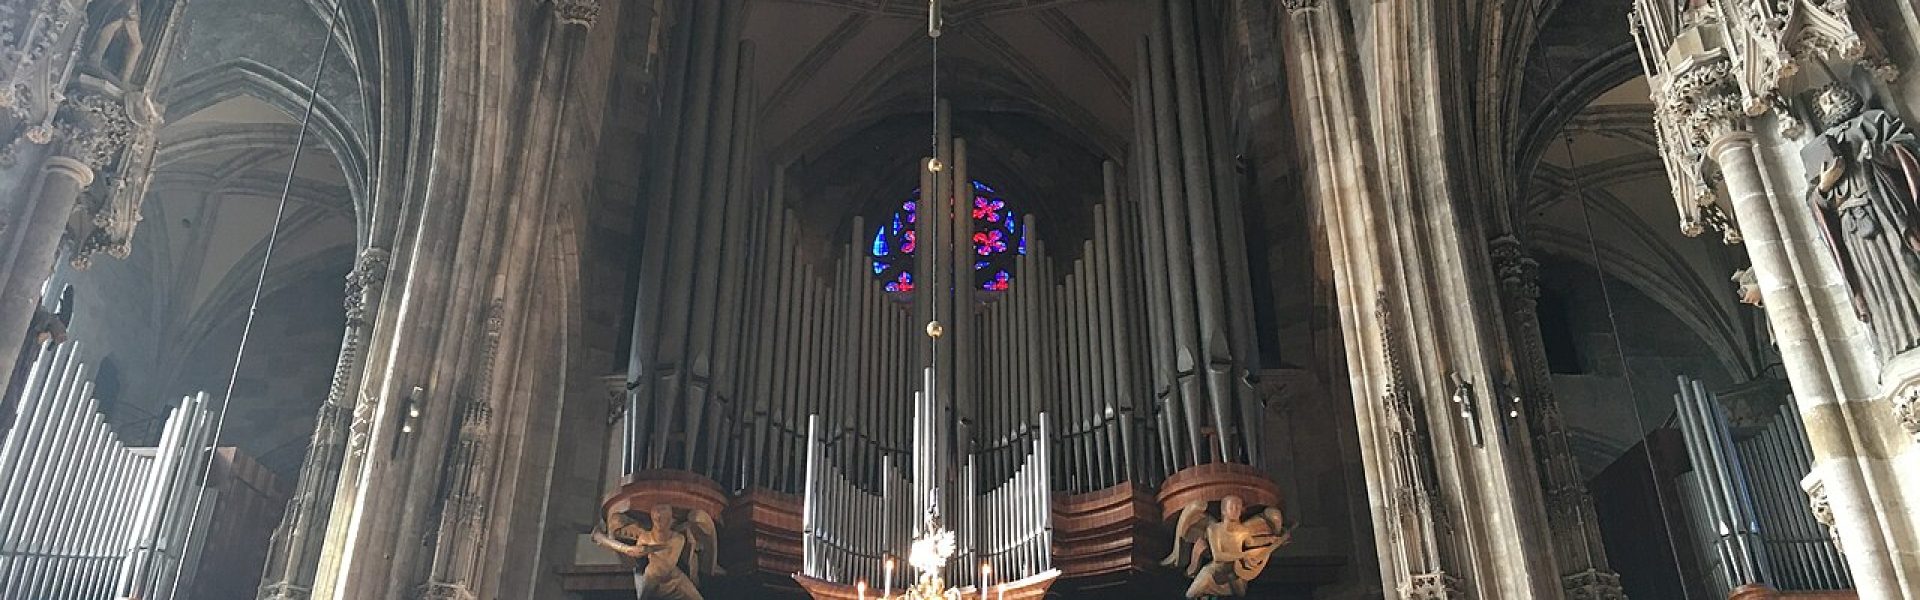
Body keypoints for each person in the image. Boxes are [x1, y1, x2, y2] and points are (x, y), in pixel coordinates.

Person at [1803, 82, 1920, 358]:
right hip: (1852, 227)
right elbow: (1815, 201)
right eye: (1824, 104)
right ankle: (1896, 345)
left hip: (1885, 209)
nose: (1830, 105)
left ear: (1848, 96)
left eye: (1833, 98)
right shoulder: (1818, 148)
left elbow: (1908, 149)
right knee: (1875, 283)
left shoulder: (1872, 120)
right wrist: (1824, 185)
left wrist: (1875, 152)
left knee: (1907, 265)